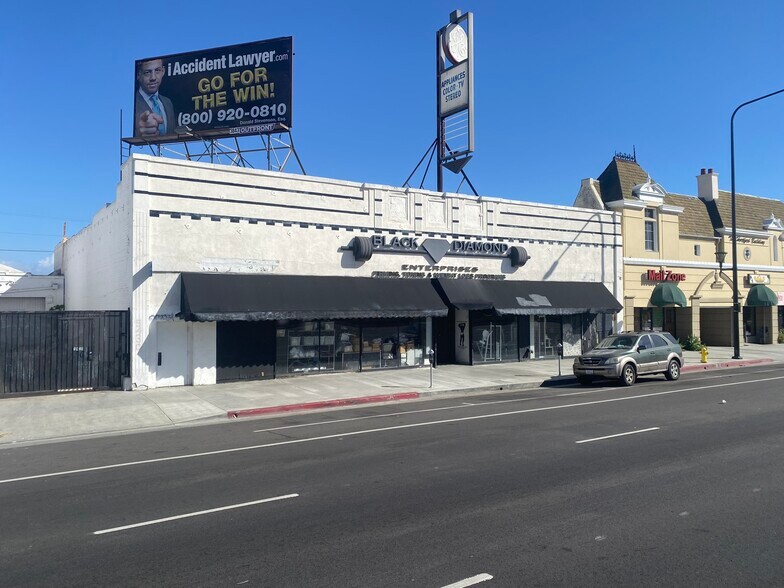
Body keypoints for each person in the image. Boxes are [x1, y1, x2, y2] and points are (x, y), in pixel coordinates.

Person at [134, 58, 175, 139]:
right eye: (147, 72)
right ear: (138, 75)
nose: (153, 78)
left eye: (157, 70)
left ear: (163, 71)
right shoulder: (133, 104)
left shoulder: (168, 103)